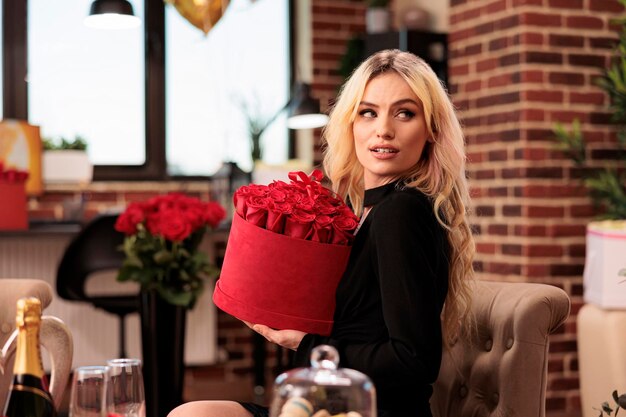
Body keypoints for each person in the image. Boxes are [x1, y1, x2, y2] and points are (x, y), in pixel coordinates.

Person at [168, 49, 475, 417]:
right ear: (351, 123)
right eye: (368, 112)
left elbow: (413, 360)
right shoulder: (364, 207)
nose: (383, 130)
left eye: (404, 113)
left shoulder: (402, 212)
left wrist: (307, 343)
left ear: (431, 130)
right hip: (324, 404)